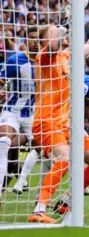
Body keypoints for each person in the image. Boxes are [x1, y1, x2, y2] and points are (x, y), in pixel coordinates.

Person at [29, 0, 89, 223]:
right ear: (44, 41)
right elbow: (56, 43)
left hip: (66, 124)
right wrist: (71, 16)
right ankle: (39, 209)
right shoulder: (44, 58)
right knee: (65, 158)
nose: (58, 32)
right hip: (46, 121)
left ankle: (65, 202)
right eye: (53, 31)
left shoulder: (66, 56)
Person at [0, 26, 38, 203]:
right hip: (12, 111)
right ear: (25, 42)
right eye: (31, 38)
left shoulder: (47, 61)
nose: (35, 41)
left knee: (46, 149)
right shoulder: (15, 60)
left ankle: (22, 182)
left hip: (32, 115)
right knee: (4, 143)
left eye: (38, 38)